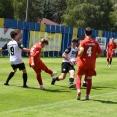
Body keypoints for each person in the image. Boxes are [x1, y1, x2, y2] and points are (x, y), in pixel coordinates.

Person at [76, 27, 102, 100]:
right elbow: (100, 53)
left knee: (79, 76)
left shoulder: (83, 42)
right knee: (89, 79)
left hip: (83, 63)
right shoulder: (95, 42)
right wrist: (94, 57)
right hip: (91, 63)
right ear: (91, 33)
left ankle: (78, 90)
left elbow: (80, 53)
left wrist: (79, 55)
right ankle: (87, 95)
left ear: (85, 33)